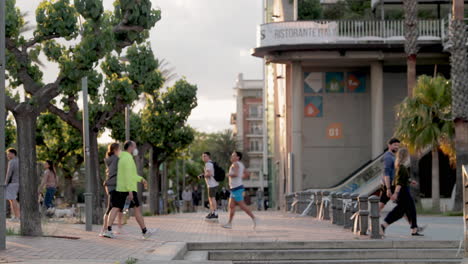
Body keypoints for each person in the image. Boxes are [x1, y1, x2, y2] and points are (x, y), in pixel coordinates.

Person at [104, 141, 154, 239]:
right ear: (130, 147)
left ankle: (108, 230)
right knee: (137, 209)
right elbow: (127, 175)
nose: (136, 149)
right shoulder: (127, 158)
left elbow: (131, 175)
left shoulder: (123, 157)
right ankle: (144, 232)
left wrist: (141, 179)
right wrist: (130, 190)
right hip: (128, 188)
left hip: (121, 187)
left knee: (115, 207)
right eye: (135, 146)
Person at [381, 148, 423, 236]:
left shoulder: (399, 166)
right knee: (402, 211)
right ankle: (383, 225)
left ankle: (414, 229)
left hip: (402, 191)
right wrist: (396, 193)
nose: (408, 157)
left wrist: (410, 181)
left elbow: (402, 179)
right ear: (405, 156)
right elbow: (399, 182)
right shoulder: (402, 167)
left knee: (406, 210)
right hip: (403, 192)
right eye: (407, 155)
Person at [222, 151, 258, 229]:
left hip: (237, 188)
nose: (231, 157)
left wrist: (226, 174)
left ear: (238, 157)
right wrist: (240, 177)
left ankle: (254, 218)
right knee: (231, 206)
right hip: (235, 188)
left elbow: (235, 174)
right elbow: (247, 174)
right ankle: (229, 223)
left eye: (233, 156)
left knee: (242, 206)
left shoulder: (235, 164)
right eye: (231, 155)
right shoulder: (240, 164)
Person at [99, 143, 124, 237]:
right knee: (115, 207)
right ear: (115, 150)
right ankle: (108, 230)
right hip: (114, 185)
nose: (120, 151)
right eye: (119, 149)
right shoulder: (116, 159)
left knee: (110, 208)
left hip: (109, 185)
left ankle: (104, 229)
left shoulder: (109, 159)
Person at [379, 138, 400, 212]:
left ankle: (412, 223)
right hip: (389, 184)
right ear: (389, 145)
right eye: (395, 145)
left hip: (392, 184)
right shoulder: (388, 157)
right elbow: (386, 173)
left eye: (398, 145)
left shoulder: (394, 156)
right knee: (403, 205)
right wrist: (388, 188)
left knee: (381, 204)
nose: (397, 147)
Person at [202, 152, 219, 220]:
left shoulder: (208, 164)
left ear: (208, 156)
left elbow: (209, 174)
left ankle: (215, 213)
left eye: (205, 156)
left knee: (212, 199)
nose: (203, 157)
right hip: (213, 183)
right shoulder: (211, 163)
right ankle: (212, 212)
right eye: (203, 156)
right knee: (211, 199)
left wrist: (202, 176)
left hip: (212, 184)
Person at [5, 149, 20, 222]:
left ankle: (16, 216)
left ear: (12, 154)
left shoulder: (11, 162)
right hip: (19, 182)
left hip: (13, 182)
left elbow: (9, 173)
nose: (7, 155)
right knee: (13, 199)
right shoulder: (19, 161)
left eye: (8, 154)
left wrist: (5, 183)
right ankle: (16, 216)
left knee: (12, 199)